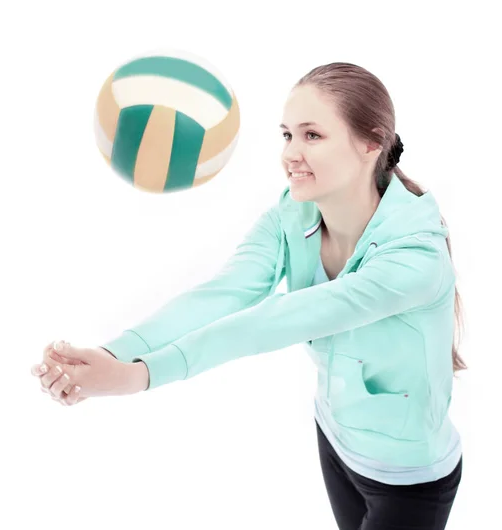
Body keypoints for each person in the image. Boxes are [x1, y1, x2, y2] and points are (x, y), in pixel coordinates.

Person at [31, 61, 466, 530]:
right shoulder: (291, 214)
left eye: (312, 135)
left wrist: (139, 377)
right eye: (286, 135)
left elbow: (277, 320)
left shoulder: (415, 258)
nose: (291, 154)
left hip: (409, 478)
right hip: (336, 440)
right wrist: (112, 353)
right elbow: (224, 293)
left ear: (371, 142)